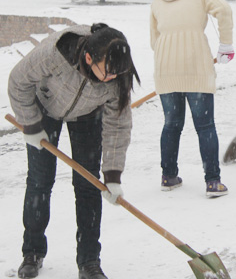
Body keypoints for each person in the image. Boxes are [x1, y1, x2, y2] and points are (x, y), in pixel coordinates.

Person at [8, 23, 140, 279]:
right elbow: (18, 81)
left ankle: (89, 260)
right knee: (40, 181)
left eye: (117, 74)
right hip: (44, 108)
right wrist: (31, 124)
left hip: (88, 115)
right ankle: (32, 252)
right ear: (89, 58)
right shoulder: (56, 53)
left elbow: (118, 125)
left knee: (88, 184)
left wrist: (112, 176)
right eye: (108, 73)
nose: (112, 78)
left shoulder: (118, 76)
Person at [150, 0, 233, 197]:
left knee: (171, 125)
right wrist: (225, 45)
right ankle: (213, 182)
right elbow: (224, 10)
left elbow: (153, 41)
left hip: (165, 68)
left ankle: (168, 176)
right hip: (196, 65)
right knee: (205, 126)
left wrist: (170, 58)